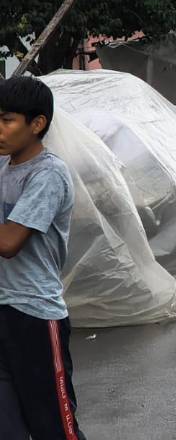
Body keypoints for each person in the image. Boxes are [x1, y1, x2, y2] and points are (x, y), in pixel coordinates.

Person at [0, 76, 86, 440]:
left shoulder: (48, 174)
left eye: (6, 120)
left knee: (53, 426)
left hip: (34, 315)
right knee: (8, 426)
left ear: (37, 124)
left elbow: (9, 242)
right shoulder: (4, 170)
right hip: (3, 309)